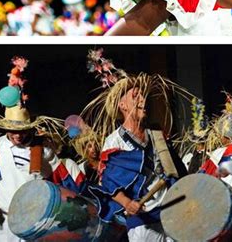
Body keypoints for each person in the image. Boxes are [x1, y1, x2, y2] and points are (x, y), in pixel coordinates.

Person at [82, 50, 192, 241]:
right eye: (135, 96)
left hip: (171, 210)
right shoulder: (114, 141)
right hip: (142, 218)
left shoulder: (156, 134)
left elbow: (176, 170)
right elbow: (108, 183)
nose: (142, 100)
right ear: (122, 106)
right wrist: (126, 202)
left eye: (142, 96)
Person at [0, 57, 82, 241]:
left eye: (22, 131)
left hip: (36, 227)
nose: (18, 135)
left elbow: (67, 182)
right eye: (13, 131)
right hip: (4, 229)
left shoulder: (42, 150)